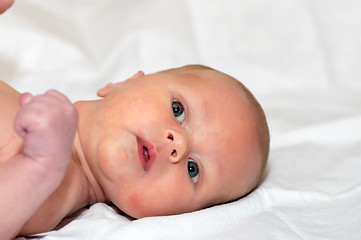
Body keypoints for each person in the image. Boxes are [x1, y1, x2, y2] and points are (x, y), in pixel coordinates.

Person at [0, 65, 269, 239]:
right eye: (178, 110)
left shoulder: (52, 189)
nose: (178, 145)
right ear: (122, 82)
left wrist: (38, 166)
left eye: (193, 170)